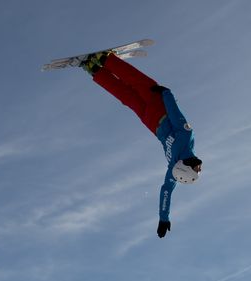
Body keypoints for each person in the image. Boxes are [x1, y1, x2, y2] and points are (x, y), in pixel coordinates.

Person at [81, 52, 202, 238]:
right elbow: (166, 191)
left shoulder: (186, 138)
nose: (199, 166)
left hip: (159, 109)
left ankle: (105, 59)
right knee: (127, 96)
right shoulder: (172, 168)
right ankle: (94, 70)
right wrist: (163, 218)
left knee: (139, 82)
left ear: (186, 167)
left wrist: (166, 94)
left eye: (196, 168)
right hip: (150, 123)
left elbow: (176, 115)